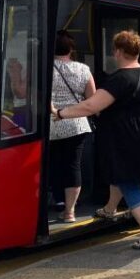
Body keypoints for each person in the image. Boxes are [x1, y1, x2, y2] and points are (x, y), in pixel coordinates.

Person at [53, 31, 140, 249]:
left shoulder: (118, 79)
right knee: (121, 175)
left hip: (122, 137)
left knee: (128, 183)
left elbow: (91, 106)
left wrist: (60, 113)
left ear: (119, 51)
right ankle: (110, 209)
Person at [49, 30, 95, 222]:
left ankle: (58, 200)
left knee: (54, 164)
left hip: (51, 125)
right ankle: (70, 212)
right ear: (71, 48)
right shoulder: (83, 69)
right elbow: (93, 98)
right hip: (77, 125)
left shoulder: (43, 67)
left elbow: (21, 93)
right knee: (73, 166)